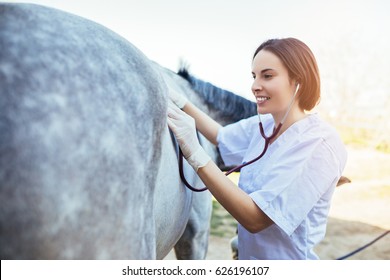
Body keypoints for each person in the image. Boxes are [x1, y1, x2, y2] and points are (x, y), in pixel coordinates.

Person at [167, 38, 347, 260]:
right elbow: (221, 136)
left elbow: (255, 219)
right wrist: (179, 101)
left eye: (267, 76)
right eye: (254, 76)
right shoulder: (264, 124)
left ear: (298, 81)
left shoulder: (319, 144)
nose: (255, 86)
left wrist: (195, 153)